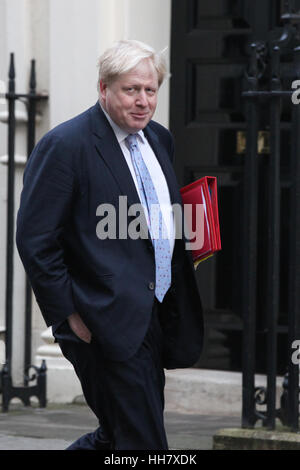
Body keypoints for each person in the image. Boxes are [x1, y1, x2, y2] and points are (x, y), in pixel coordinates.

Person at [16, 39, 204, 450]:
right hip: (98, 319)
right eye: (130, 90)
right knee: (144, 443)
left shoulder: (160, 139)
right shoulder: (66, 145)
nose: (142, 101)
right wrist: (68, 315)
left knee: (117, 436)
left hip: (153, 314)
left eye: (150, 90)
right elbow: (35, 239)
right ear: (104, 88)